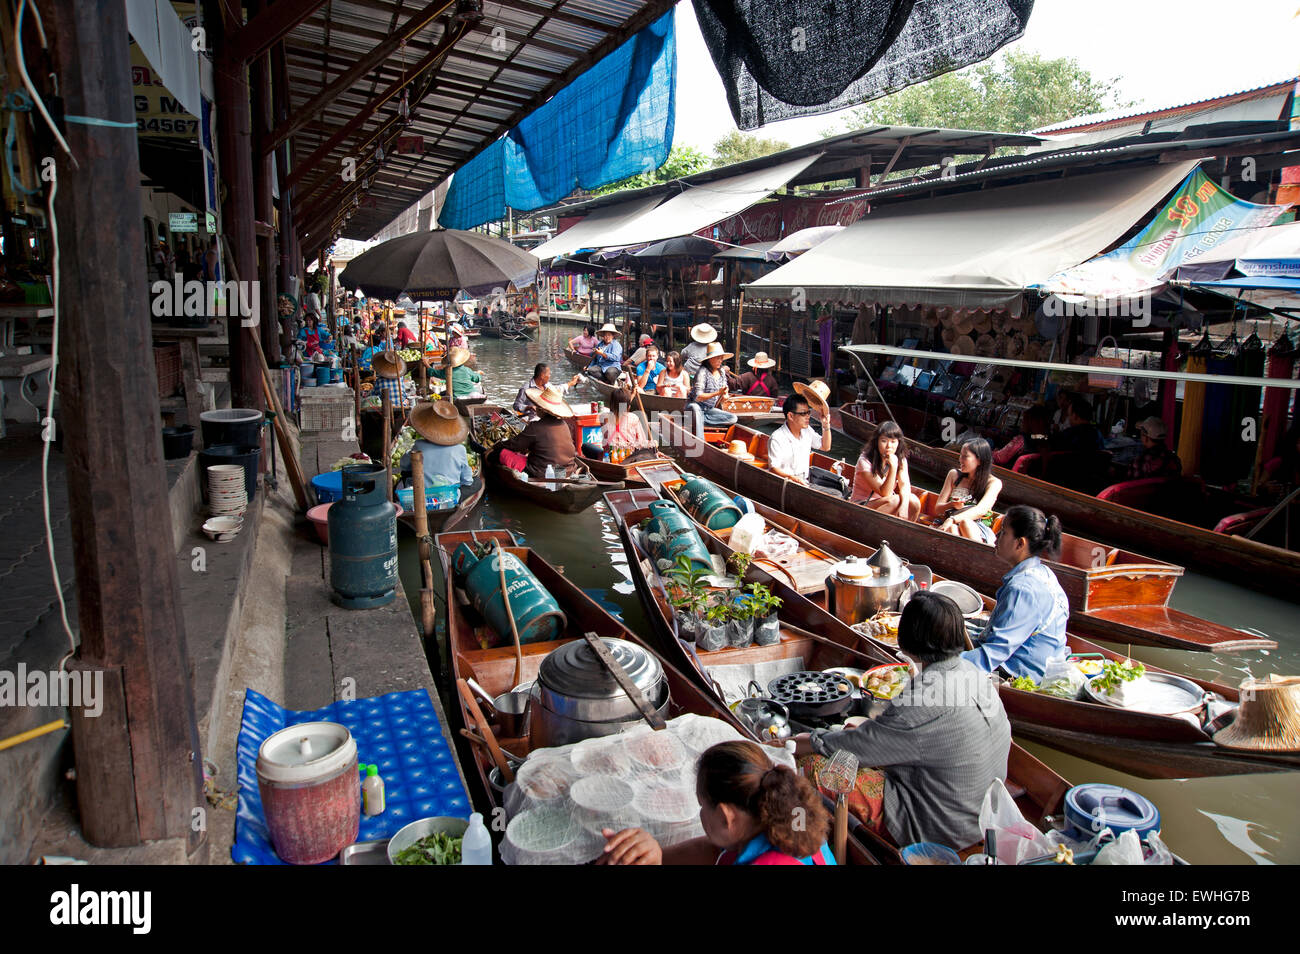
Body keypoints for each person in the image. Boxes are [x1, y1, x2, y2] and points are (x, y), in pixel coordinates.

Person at [787, 592, 1012, 850]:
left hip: (940, 828)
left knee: (812, 766)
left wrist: (800, 743)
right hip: (984, 816)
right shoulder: (974, 673)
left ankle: (816, 847)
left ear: (906, 641)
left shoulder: (923, 697)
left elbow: (856, 748)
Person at [598, 740, 835, 865]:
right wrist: (653, 854)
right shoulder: (793, 817)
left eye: (702, 805)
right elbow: (712, 850)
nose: (701, 814)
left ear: (725, 816)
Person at [963, 505, 1069, 681]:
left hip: (1022, 673)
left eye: (1003, 532)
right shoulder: (1044, 572)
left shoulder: (1022, 589)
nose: (996, 536)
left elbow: (994, 653)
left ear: (1020, 543)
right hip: (1044, 662)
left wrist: (945, 665)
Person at [404, 399, 481, 497]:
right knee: (477, 482)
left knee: (406, 474)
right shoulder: (460, 449)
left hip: (423, 495)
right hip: (449, 496)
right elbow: (467, 480)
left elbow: (404, 465)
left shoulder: (419, 446)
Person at [502, 383, 579, 478]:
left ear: (541, 409)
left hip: (543, 473)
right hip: (568, 470)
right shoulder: (564, 425)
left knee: (503, 454)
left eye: (537, 406)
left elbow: (514, 445)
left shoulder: (535, 427)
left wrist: (496, 447)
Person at [933, 437, 1001, 542]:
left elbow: (980, 510)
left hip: (977, 528)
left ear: (979, 460)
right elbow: (938, 508)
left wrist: (952, 519)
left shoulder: (993, 483)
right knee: (952, 528)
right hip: (950, 524)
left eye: (965, 456)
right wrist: (952, 504)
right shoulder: (954, 474)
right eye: (960, 455)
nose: (960, 460)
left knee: (966, 523)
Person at [851, 420, 921, 519]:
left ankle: (905, 531)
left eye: (893, 442)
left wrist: (904, 508)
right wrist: (893, 467)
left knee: (914, 500)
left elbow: (905, 485)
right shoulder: (865, 461)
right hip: (862, 505)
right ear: (877, 442)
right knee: (894, 500)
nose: (889, 446)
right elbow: (885, 493)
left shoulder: (901, 459)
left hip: (887, 503)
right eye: (884, 441)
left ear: (898, 443)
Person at [767, 385, 833, 486]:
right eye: (803, 414)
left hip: (805, 481)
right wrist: (793, 479)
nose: (808, 417)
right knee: (836, 494)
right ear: (791, 416)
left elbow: (826, 446)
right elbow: (773, 468)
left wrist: (826, 425)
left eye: (808, 413)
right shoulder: (777, 438)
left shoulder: (807, 431)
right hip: (788, 483)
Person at [588, 387, 656, 460]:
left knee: (586, 446)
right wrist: (654, 443)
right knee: (652, 443)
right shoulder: (634, 418)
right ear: (628, 405)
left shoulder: (603, 417)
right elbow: (641, 442)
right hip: (629, 457)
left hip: (610, 457)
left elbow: (619, 411)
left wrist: (631, 396)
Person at [689, 341, 739, 427]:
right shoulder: (702, 372)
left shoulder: (722, 372)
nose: (720, 361)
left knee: (733, 418)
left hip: (709, 410)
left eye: (721, 358)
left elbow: (724, 389)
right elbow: (698, 397)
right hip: (695, 407)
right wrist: (717, 393)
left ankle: (701, 420)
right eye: (717, 358)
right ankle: (697, 419)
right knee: (696, 412)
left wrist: (725, 394)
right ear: (710, 359)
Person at [514, 362, 580, 418]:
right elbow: (516, 405)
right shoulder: (526, 388)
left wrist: (571, 383)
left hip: (548, 417)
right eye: (549, 374)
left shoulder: (547, 385)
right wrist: (529, 407)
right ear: (542, 375)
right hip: (534, 419)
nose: (550, 376)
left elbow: (557, 390)